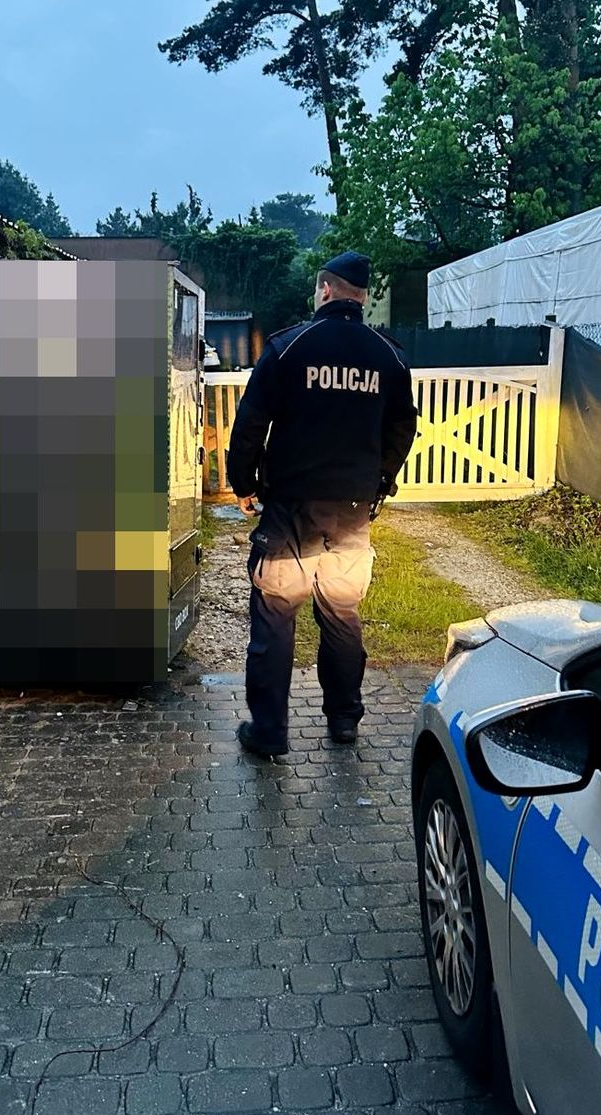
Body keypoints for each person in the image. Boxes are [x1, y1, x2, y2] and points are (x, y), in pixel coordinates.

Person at [227, 251, 418, 758]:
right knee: (341, 610)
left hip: (292, 507)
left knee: (276, 610)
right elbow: (403, 427)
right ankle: (344, 720)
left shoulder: (289, 348)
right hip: (352, 509)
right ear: (363, 297)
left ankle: (270, 731)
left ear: (325, 290)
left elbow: (250, 423)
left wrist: (243, 483)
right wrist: (380, 482)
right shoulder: (389, 356)